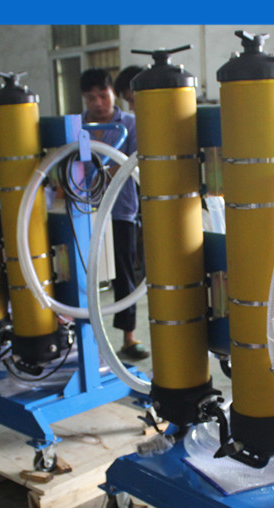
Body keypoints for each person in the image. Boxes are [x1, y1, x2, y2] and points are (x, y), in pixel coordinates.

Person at [80, 68, 149, 360]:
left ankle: (128, 337)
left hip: (121, 209)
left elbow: (131, 163)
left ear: (112, 94)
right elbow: (73, 163)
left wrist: (97, 174)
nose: (98, 103)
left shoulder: (129, 124)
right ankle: (83, 337)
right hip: (84, 211)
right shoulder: (79, 126)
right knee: (83, 272)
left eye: (103, 95)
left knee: (124, 274)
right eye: (91, 97)